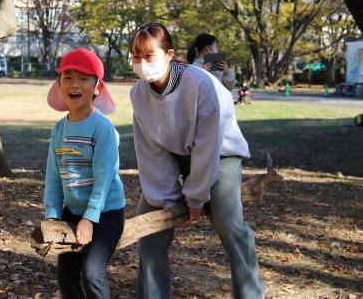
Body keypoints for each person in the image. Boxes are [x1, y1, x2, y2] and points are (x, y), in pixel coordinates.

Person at [129, 23, 266, 299]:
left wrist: (195, 198)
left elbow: (208, 144)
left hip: (222, 151)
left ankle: (250, 293)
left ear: (169, 55)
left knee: (228, 222)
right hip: (174, 153)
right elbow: (150, 151)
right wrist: (167, 200)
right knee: (149, 223)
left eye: (149, 56)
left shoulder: (200, 83)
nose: (143, 64)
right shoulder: (138, 94)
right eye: (136, 57)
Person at [44, 48, 126, 299]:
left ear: (97, 87)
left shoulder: (103, 129)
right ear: (59, 85)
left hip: (106, 213)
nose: (74, 84)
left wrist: (90, 219)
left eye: (83, 78)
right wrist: (52, 216)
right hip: (73, 212)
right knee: (66, 280)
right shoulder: (59, 129)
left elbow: (104, 180)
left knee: (92, 273)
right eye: (67, 77)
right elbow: (54, 178)